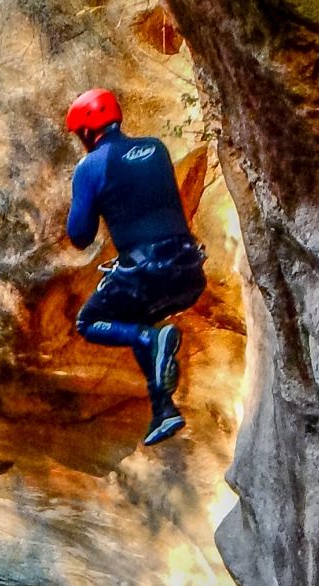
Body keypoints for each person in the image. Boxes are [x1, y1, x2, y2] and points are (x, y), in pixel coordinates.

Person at [64, 87, 209, 446]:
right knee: (139, 316)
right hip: (189, 272)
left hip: (150, 275)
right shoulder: (156, 149)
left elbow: (79, 235)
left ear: (86, 131)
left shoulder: (91, 166)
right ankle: (164, 410)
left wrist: (87, 191)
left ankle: (150, 339)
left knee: (89, 322)